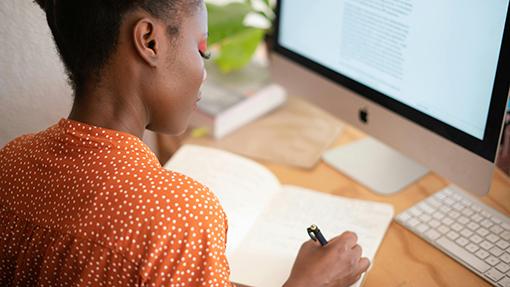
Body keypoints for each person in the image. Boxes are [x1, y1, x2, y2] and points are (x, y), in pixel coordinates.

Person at [0, 0, 370, 286]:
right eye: (201, 50)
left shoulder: (11, 163)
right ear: (149, 41)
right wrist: (309, 282)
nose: (204, 72)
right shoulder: (179, 217)